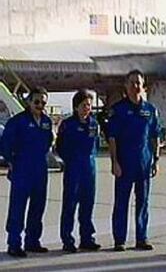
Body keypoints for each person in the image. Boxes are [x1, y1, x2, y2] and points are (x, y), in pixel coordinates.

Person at [107, 70, 161, 251]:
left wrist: (156, 159)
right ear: (125, 85)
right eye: (131, 83)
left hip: (144, 163)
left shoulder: (150, 110)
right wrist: (114, 162)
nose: (135, 86)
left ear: (143, 86)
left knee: (143, 201)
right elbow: (112, 137)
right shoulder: (118, 110)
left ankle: (141, 237)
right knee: (121, 202)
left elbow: (154, 136)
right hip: (124, 163)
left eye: (138, 83)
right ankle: (119, 239)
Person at [0, 87, 53, 257]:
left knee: (38, 206)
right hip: (22, 168)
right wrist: (11, 161)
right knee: (18, 207)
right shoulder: (17, 121)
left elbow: (48, 142)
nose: (40, 105)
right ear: (29, 102)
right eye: (36, 101)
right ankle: (14, 243)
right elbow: (5, 143)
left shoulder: (46, 122)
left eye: (43, 102)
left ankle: (32, 241)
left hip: (40, 169)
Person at [56, 90, 101, 253]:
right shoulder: (68, 125)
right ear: (76, 107)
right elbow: (59, 146)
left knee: (88, 204)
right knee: (70, 204)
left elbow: (96, 145)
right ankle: (67, 239)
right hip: (74, 167)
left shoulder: (94, 124)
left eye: (89, 105)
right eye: (83, 105)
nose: (87, 108)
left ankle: (87, 238)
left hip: (89, 167)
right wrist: (70, 159)